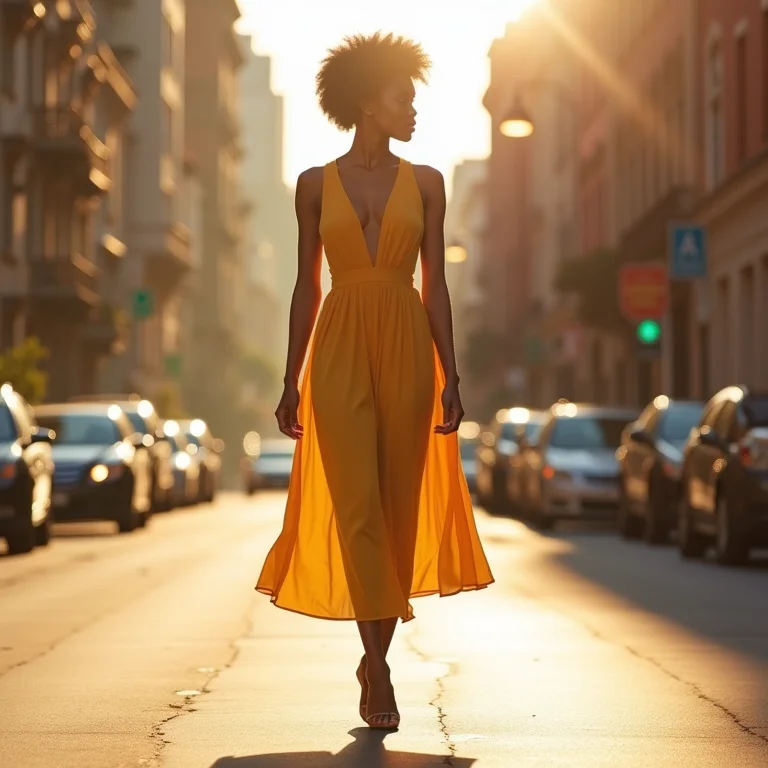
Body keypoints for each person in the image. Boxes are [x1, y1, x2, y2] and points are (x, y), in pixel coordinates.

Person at [256, 32, 493, 731]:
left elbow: (435, 285)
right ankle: (380, 668)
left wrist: (452, 374)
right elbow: (306, 286)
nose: (413, 111)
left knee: (395, 509)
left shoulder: (428, 183)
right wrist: (290, 378)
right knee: (356, 504)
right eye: (402, 99)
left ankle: (373, 656)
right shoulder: (312, 185)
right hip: (336, 347)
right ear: (367, 103)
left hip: (406, 346)